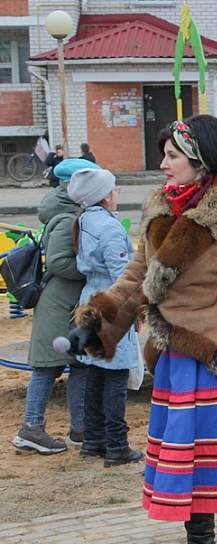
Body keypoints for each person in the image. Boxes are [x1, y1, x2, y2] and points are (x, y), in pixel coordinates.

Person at [71, 115, 217, 542]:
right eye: (164, 154)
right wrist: (98, 321)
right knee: (188, 452)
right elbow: (138, 274)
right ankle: (200, 532)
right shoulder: (160, 208)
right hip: (176, 352)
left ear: (202, 161)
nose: (163, 163)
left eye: (172, 155)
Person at [11, 159, 99, 455]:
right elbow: (60, 262)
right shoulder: (66, 217)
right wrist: (90, 269)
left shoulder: (70, 211)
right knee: (47, 368)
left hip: (66, 303)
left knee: (79, 366)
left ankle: (80, 427)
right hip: (58, 305)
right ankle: (31, 428)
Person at [67, 168, 142, 466]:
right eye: (114, 188)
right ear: (104, 195)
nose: (117, 192)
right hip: (110, 304)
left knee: (95, 373)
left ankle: (94, 440)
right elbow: (121, 275)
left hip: (90, 301)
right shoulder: (109, 228)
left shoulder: (85, 220)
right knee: (115, 376)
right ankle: (116, 445)